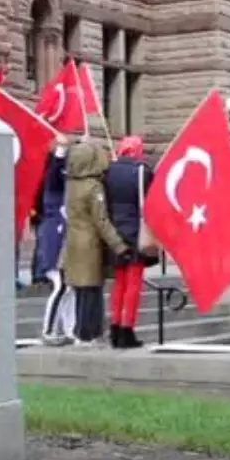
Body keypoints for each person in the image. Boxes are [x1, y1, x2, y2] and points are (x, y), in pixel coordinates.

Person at [64, 139, 131, 345]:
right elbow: (101, 221)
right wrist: (119, 245)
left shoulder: (72, 184)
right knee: (92, 291)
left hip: (73, 242)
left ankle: (82, 331)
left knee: (81, 290)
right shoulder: (94, 188)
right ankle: (88, 332)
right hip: (90, 245)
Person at [104, 135, 158, 348]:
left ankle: (115, 327)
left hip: (115, 233)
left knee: (119, 283)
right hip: (136, 232)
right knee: (133, 283)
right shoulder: (143, 171)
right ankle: (127, 329)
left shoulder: (109, 170)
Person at [34, 135, 75, 345]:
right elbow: (55, 174)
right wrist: (61, 150)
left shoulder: (64, 192)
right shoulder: (52, 189)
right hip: (54, 242)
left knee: (68, 288)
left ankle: (69, 330)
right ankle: (48, 330)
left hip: (64, 244)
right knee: (60, 287)